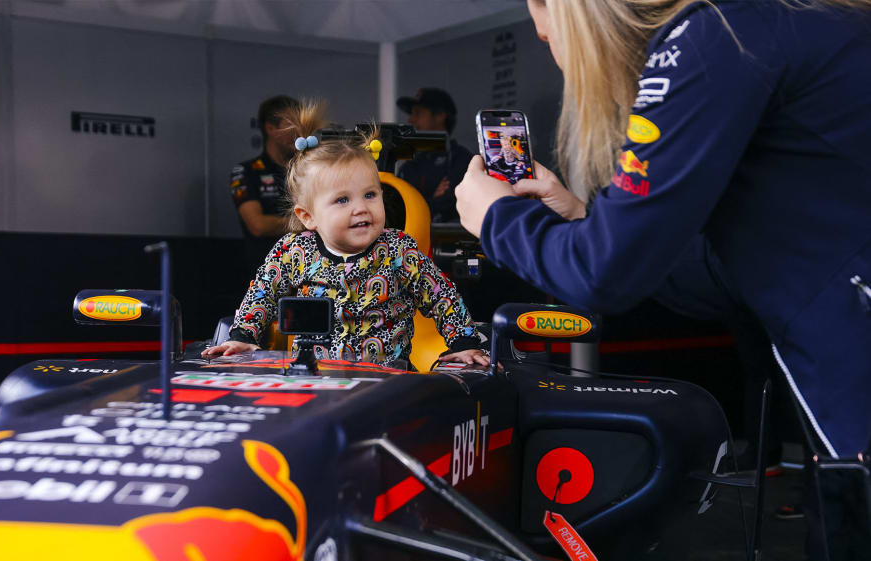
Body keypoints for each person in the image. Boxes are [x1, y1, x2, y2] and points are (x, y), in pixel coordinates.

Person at [454, 0, 870, 557]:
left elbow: (604, 275)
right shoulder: (800, 20)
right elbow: (735, 270)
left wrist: (496, 218)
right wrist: (582, 222)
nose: (539, 29)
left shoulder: (718, 32)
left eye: (540, 6)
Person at [206, 102, 489, 368]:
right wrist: (244, 336)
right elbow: (262, 293)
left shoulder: (398, 249)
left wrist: (463, 342)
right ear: (309, 216)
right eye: (343, 200)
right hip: (316, 380)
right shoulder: (294, 250)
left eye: (370, 195)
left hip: (389, 382)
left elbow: (442, 295)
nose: (361, 208)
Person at [231, 95, 300, 262]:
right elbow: (258, 225)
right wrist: (305, 223)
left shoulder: (307, 169)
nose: (299, 131)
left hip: (306, 271)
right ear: (270, 129)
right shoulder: (245, 172)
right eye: (292, 124)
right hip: (266, 273)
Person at [396, 87, 474, 222]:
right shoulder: (411, 164)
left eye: (418, 113)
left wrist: (422, 202)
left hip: (448, 242)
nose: (411, 120)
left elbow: (452, 205)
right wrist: (433, 200)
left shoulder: (461, 159)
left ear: (440, 116)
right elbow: (399, 209)